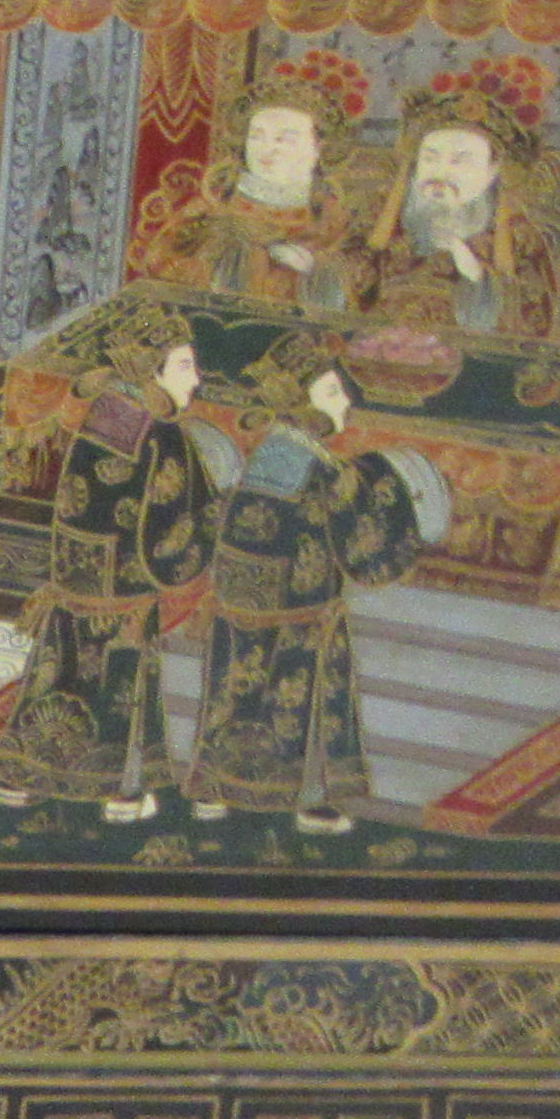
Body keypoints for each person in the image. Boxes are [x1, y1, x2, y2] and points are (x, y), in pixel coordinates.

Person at [189, 332, 454, 832]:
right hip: (297, 610)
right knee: (298, 697)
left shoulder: (273, 452)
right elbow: (360, 538)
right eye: (332, 392)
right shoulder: (316, 464)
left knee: (235, 690)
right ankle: (311, 803)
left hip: (243, 601)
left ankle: (214, 791)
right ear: (301, 401)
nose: (346, 402)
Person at [0, 299, 225, 822]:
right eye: (185, 365)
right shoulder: (163, 437)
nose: (197, 378)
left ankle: (20, 779)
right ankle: (122, 793)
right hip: (126, 589)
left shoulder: (105, 416)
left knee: (58, 675)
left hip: (75, 579)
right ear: (152, 370)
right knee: (121, 686)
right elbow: (181, 521)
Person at [343, 58, 560, 340]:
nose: (440, 173)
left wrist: (478, 279)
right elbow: (345, 283)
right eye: (430, 158)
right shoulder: (382, 216)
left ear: (492, 172)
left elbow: (532, 323)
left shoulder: (519, 238)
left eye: (460, 161)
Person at [137, 49, 365, 312]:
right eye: (257, 136)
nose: (267, 149)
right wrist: (249, 251)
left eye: (285, 139)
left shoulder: (334, 220)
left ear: (319, 148)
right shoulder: (211, 210)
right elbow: (160, 269)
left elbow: (361, 294)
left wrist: (315, 268)